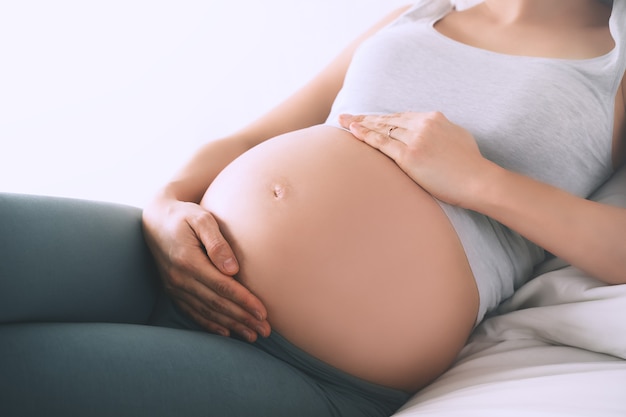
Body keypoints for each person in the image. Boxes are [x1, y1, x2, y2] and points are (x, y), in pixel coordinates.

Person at [2, 0, 624, 416]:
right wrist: (166, 204)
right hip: (170, 258)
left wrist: (479, 179)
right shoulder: (424, 9)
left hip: (310, 368)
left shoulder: (616, 60)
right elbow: (252, 137)